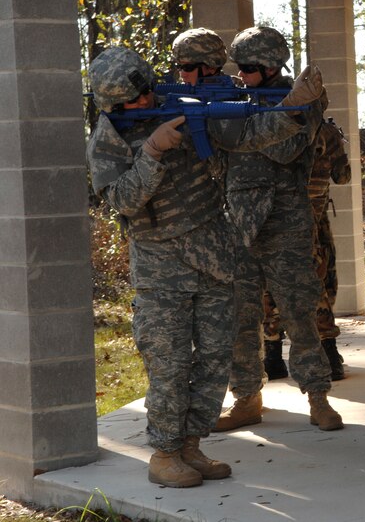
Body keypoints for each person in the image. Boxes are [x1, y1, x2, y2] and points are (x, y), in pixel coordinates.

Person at [85, 46, 325, 487]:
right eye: (132, 101)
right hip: (162, 271)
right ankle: (164, 453)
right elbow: (121, 200)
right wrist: (151, 154)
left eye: (145, 93)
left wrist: (292, 109)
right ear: (112, 105)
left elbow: (246, 134)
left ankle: (191, 446)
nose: (143, 104)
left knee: (215, 360)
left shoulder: (179, 108)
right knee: (170, 365)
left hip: (215, 258)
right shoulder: (108, 139)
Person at [214, 26, 343, 432]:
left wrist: (278, 113)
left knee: (300, 313)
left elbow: (282, 147)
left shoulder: (305, 103)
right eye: (241, 68)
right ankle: (247, 399)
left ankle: (318, 397)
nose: (244, 76)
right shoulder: (237, 100)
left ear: (271, 67)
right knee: (240, 317)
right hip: (239, 220)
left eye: (251, 68)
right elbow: (226, 143)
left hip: (286, 220)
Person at [264, 119, 352, 380]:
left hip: (269, 218)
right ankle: (328, 353)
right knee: (317, 283)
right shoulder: (322, 129)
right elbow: (343, 176)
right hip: (308, 219)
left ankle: (273, 354)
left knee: (271, 282)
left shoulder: (257, 124)